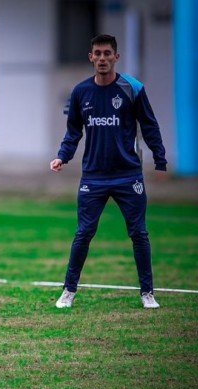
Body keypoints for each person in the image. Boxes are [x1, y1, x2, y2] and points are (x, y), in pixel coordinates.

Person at [50, 34, 167, 309]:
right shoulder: (80, 92)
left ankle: (147, 293)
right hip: (93, 176)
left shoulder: (132, 88)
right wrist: (62, 157)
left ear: (116, 57)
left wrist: (159, 160)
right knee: (83, 233)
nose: (102, 59)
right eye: (97, 54)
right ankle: (68, 291)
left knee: (139, 234)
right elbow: (73, 132)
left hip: (128, 175)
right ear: (91, 58)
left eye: (107, 54)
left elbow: (149, 126)